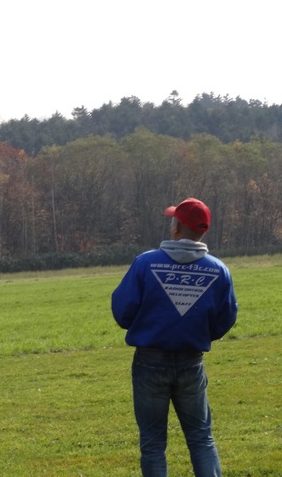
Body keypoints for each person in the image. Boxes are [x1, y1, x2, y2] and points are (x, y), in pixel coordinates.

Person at [111, 197, 238, 477]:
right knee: (201, 438)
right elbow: (226, 317)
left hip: (148, 362)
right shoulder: (218, 270)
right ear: (202, 231)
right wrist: (199, 333)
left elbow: (122, 310)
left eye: (173, 220)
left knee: (153, 443)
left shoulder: (146, 263)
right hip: (191, 362)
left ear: (177, 228)